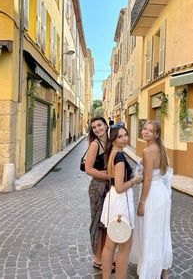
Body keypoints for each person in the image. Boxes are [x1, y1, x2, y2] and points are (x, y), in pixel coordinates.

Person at [130, 120, 173, 279]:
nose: (145, 132)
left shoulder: (148, 151)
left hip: (152, 196)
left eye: (150, 130)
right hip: (162, 194)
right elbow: (166, 174)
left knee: (149, 231)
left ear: (156, 134)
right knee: (162, 231)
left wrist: (141, 203)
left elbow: (147, 180)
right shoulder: (162, 149)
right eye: (144, 129)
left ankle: (149, 270)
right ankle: (163, 270)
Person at [100, 124, 143, 279]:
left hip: (113, 200)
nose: (125, 138)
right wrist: (136, 180)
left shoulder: (112, 152)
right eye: (120, 136)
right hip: (121, 202)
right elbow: (119, 187)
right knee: (124, 248)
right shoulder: (119, 157)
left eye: (125, 135)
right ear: (113, 139)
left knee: (109, 245)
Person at [85, 116, 110, 270]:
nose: (97, 129)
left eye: (99, 125)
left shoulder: (111, 141)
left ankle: (105, 255)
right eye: (94, 127)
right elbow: (88, 169)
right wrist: (108, 175)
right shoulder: (95, 145)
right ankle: (97, 258)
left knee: (107, 222)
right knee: (97, 223)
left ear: (106, 125)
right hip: (97, 188)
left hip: (109, 188)